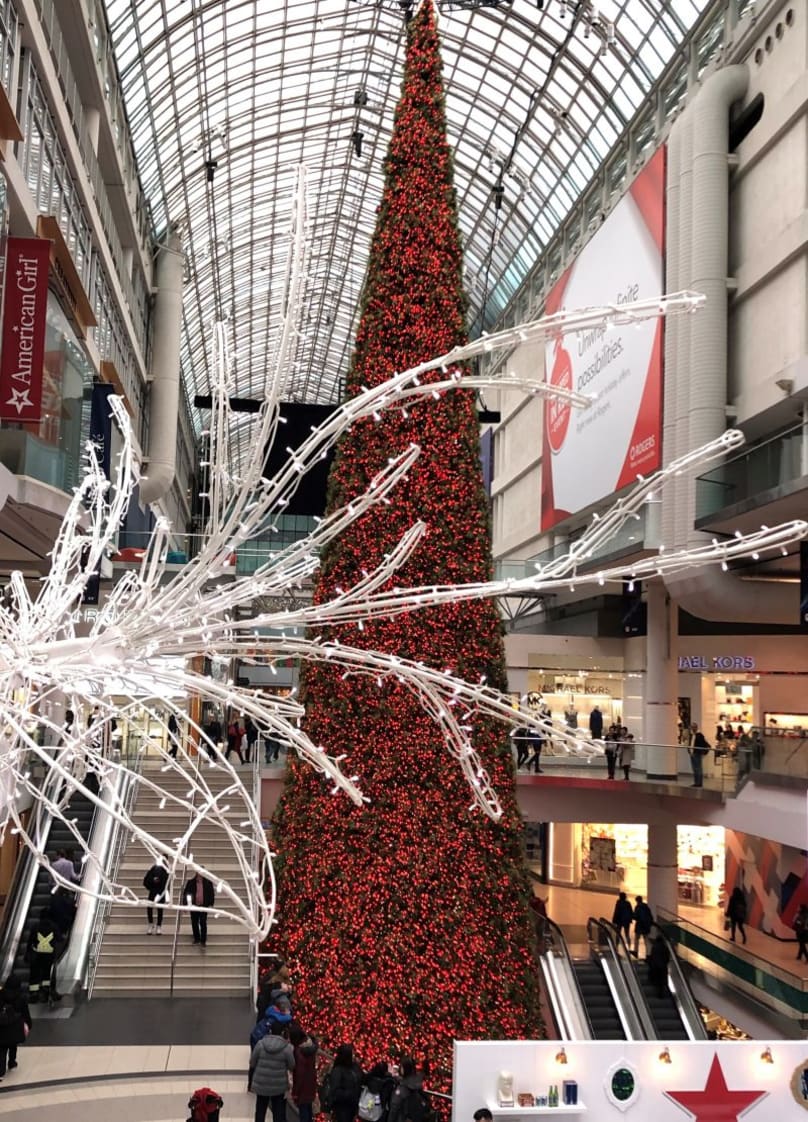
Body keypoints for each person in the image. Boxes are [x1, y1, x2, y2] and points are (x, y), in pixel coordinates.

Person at [249, 1021, 295, 1122]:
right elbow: (292, 1065)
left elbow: (252, 1062)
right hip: (278, 1085)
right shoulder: (286, 1048)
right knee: (278, 1113)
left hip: (261, 1084)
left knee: (260, 1111)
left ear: (270, 1031)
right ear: (282, 1033)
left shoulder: (260, 1044)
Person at [26, 908, 62, 1004]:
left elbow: (31, 940)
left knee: (34, 974)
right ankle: (46, 992)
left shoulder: (35, 926)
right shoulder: (54, 926)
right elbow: (60, 939)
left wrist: (28, 953)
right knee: (47, 974)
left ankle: (34, 994)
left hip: (37, 954)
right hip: (49, 955)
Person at [0, 975, 30, 1079]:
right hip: (15, 1026)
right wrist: (29, 1024)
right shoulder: (21, 997)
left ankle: (1, 1071)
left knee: (2, 1048)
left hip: (2, 1025)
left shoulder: (1, 994)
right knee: (13, 1045)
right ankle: (12, 1063)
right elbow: (25, 1013)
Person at [289, 1023, 319, 1122]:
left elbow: (299, 1074)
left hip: (302, 1087)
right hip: (311, 1083)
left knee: (303, 1112)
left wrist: (295, 1092)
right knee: (308, 1108)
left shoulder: (298, 1052)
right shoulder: (310, 1046)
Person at [329, 1043, 363, 1122]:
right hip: (342, 1108)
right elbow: (335, 1091)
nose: (354, 1056)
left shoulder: (354, 1067)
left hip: (353, 1106)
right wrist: (350, 1094)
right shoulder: (338, 1070)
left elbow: (362, 1078)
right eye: (352, 1054)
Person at [388, 1057, 427, 1122]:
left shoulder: (402, 1089)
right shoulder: (416, 1083)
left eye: (402, 1067)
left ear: (405, 1069)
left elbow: (393, 1110)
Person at [183, 872, 215, 945]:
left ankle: (203, 940)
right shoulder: (191, 882)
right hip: (194, 905)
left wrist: (211, 904)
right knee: (194, 922)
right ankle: (196, 938)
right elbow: (186, 893)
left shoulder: (208, 883)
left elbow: (211, 893)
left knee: (203, 922)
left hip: (204, 906)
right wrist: (185, 905)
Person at [144, 859, 169, 935]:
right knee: (149, 908)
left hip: (161, 892)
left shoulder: (167, 870)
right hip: (153, 891)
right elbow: (147, 879)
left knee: (160, 909)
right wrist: (153, 880)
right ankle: (151, 924)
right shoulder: (154, 868)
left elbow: (167, 882)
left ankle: (159, 926)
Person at [688, 723, 710, 787]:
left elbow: (704, 744)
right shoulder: (692, 735)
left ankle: (699, 783)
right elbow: (690, 743)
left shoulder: (700, 735)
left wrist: (702, 752)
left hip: (697, 754)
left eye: (694, 727)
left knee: (698, 768)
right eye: (691, 727)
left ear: (696, 728)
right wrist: (689, 751)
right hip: (692, 754)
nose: (692, 728)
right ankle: (696, 782)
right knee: (694, 769)